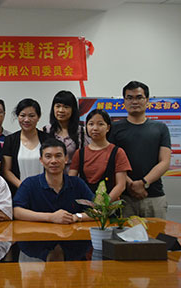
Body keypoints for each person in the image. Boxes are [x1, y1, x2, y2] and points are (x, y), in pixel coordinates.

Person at [108, 81, 171, 218]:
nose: (134, 101)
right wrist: (131, 184)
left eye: (139, 97)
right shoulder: (114, 128)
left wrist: (143, 182)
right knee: (123, 232)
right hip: (123, 197)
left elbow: (165, 162)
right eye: (129, 98)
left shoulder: (160, 128)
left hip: (154, 196)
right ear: (124, 101)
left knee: (157, 232)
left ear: (147, 100)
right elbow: (111, 161)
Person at [13, 139, 93, 224]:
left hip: (71, 231)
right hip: (39, 232)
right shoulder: (29, 184)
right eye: (48, 156)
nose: (53, 161)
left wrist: (76, 217)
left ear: (66, 159)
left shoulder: (77, 183)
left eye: (58, 156)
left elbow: (99, 210)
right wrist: (51, 217)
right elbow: (16, 211)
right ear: (41, 160)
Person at [69, 110, 131, 201]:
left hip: (109, 205)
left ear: (108, 128)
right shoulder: (79, 153)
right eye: (91, 124)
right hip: (84, 204)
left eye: (100, 124)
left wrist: (103, 204)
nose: (95, 128)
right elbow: (71, 181)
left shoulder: (118, 152)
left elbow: (121, 185)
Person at [2, 98, 49, 194]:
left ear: (38, 117)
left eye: (31, 116)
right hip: (19, 192)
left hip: (45, 191)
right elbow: (6, 171)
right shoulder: (10, 140)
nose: (26, 120)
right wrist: (24, 187)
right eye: (22, 115)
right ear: (17, 116)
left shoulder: (47, 139)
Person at [43, 90, 89, 170]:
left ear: (73, 110)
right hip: (51, 175)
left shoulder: (82, 132)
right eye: (58, 106)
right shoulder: (45, 131)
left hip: (74, 175)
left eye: (66, 107)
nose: (61, 110)